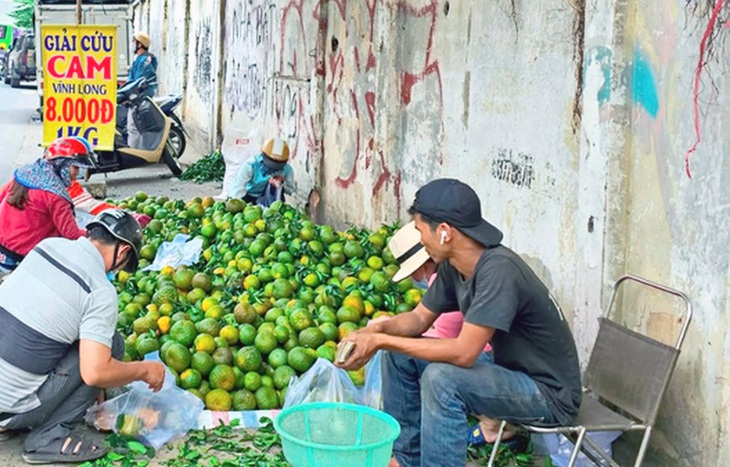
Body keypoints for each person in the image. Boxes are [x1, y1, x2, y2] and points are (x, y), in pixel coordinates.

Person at [336, 178, 582, 467]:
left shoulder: (498, 271)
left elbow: (464, 353)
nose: (421, 240)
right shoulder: (456, 267)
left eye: (420, 231)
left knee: (442, 380)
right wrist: (376, 329)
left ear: (444, 232)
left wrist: (380, 340)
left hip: (546, 394)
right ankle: (406, 460)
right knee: (398, 357)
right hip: (508, 372)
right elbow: (417, 319)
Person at [0, 210, 166, 464]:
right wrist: (145, 370)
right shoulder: (100, 290)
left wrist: (95, 398)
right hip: (9, 407)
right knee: (111, 344)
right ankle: (47, 437)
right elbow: (95, 372)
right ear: (122, 252)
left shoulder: (47, 246)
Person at [385, 222, 505, 449]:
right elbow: (421, 320)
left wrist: (386, 338)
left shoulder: (452, 279)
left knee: (433, 373)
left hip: (488, 360)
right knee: (399, 354)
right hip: (481, 353)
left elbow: (452, 343)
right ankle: (405, 455)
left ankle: (490, 421)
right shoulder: (450, 277)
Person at [0, 137, 96, 273]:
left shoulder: (25, 173)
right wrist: (93, 234)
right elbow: (71, 234)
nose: (76, 174)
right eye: (75, 167)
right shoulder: (56, 195)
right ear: (62, 163)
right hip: (24, 257)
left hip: (2, 251)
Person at [230, 137, 296, 205]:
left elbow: (290, 190)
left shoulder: (287, 170)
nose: (272, 170)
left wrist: (281, 183)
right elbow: (239, 186)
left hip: (270, 198)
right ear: (263, 156)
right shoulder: (251, 165)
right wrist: (236, 205)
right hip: (249, 195)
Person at [127, 32, 158, 149]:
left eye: (134, 42)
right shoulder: (138, 59)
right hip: (134, 96)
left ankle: (135, 153)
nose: (132, 44)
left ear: (140, 44)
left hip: (140, 97)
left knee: (133, 127)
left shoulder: (146, 59)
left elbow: (140, 80)